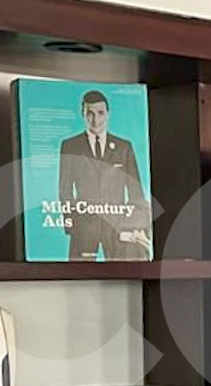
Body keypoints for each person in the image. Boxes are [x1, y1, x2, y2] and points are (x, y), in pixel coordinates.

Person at [55, 89, 151, 260]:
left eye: (100, 113)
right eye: (90, 113)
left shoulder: (124, 147)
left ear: (108, 113)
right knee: (78, 273)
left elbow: (136, 192)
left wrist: (132, 225)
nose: (95, 120)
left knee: (123, 272)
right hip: (84, 226)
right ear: (83, 114)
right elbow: (65, 190)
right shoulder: (70, 146)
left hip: (118, 226)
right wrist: (72, 223)